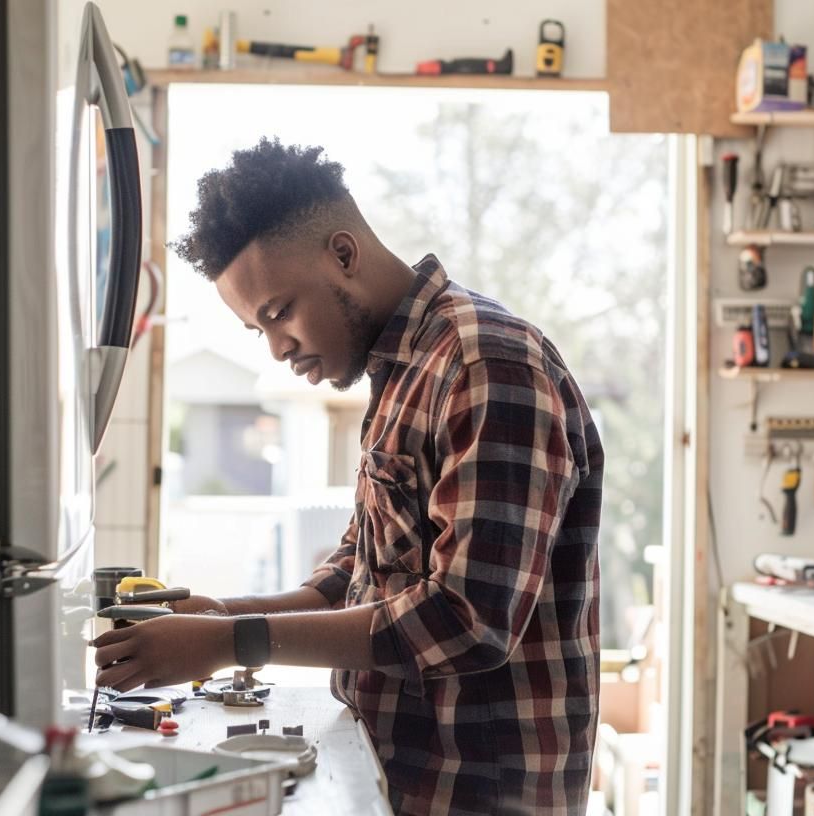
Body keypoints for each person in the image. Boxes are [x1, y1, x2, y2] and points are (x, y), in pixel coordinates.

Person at [91, 138, 603, 814]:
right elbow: (361, 569)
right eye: (257, 331)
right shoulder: (405, 370)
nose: (277, 349)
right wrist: (225, 614)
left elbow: (466, 620)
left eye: (279, 313)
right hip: (402, 772)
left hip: (476, 794)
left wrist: (228, 643)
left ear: (343, 254)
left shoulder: (487, 365)